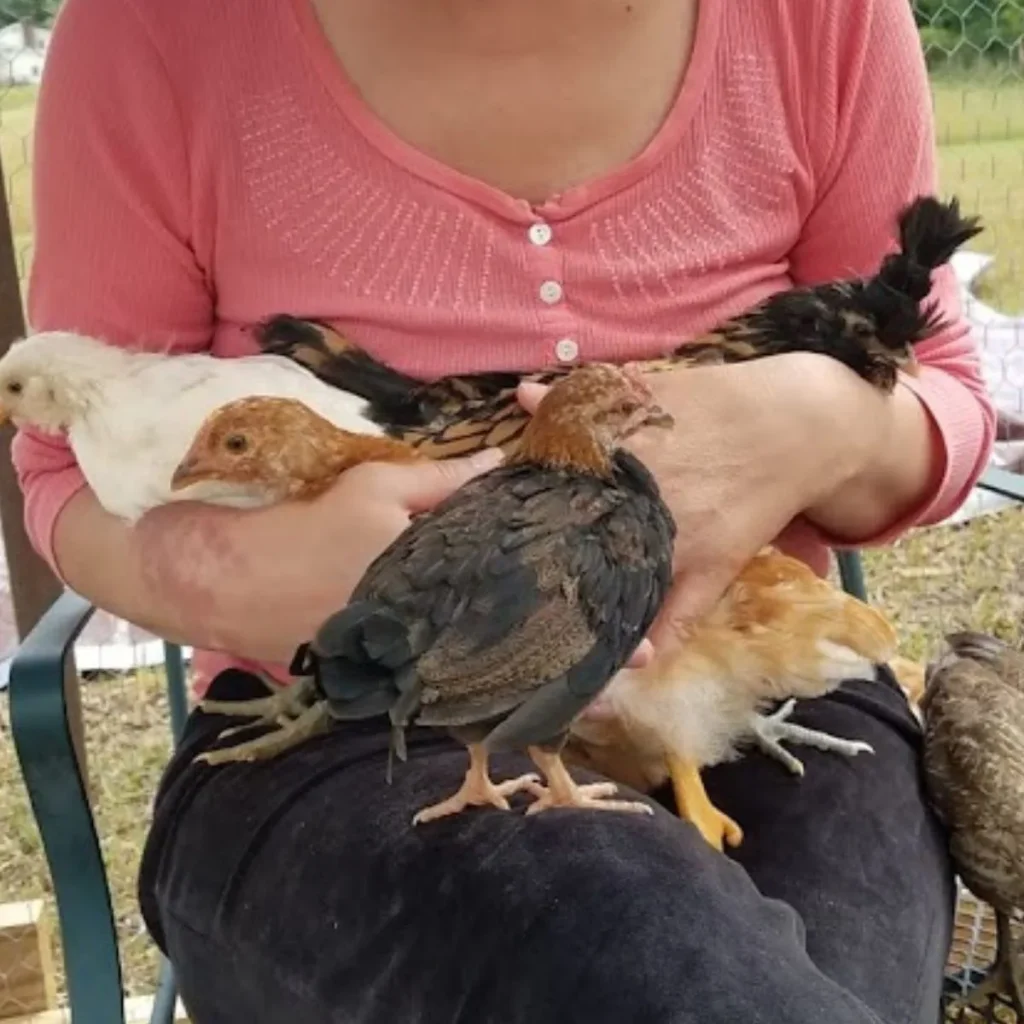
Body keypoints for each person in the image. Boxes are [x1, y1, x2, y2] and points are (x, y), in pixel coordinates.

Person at [13, 0, 995, 1020]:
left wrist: (822, 415)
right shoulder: (154, 31)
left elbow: (943, 393)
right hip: (351, 721)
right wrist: (230, 576)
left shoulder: (821, 18)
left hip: (753, 682)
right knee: (664, 964)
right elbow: (62, 469)